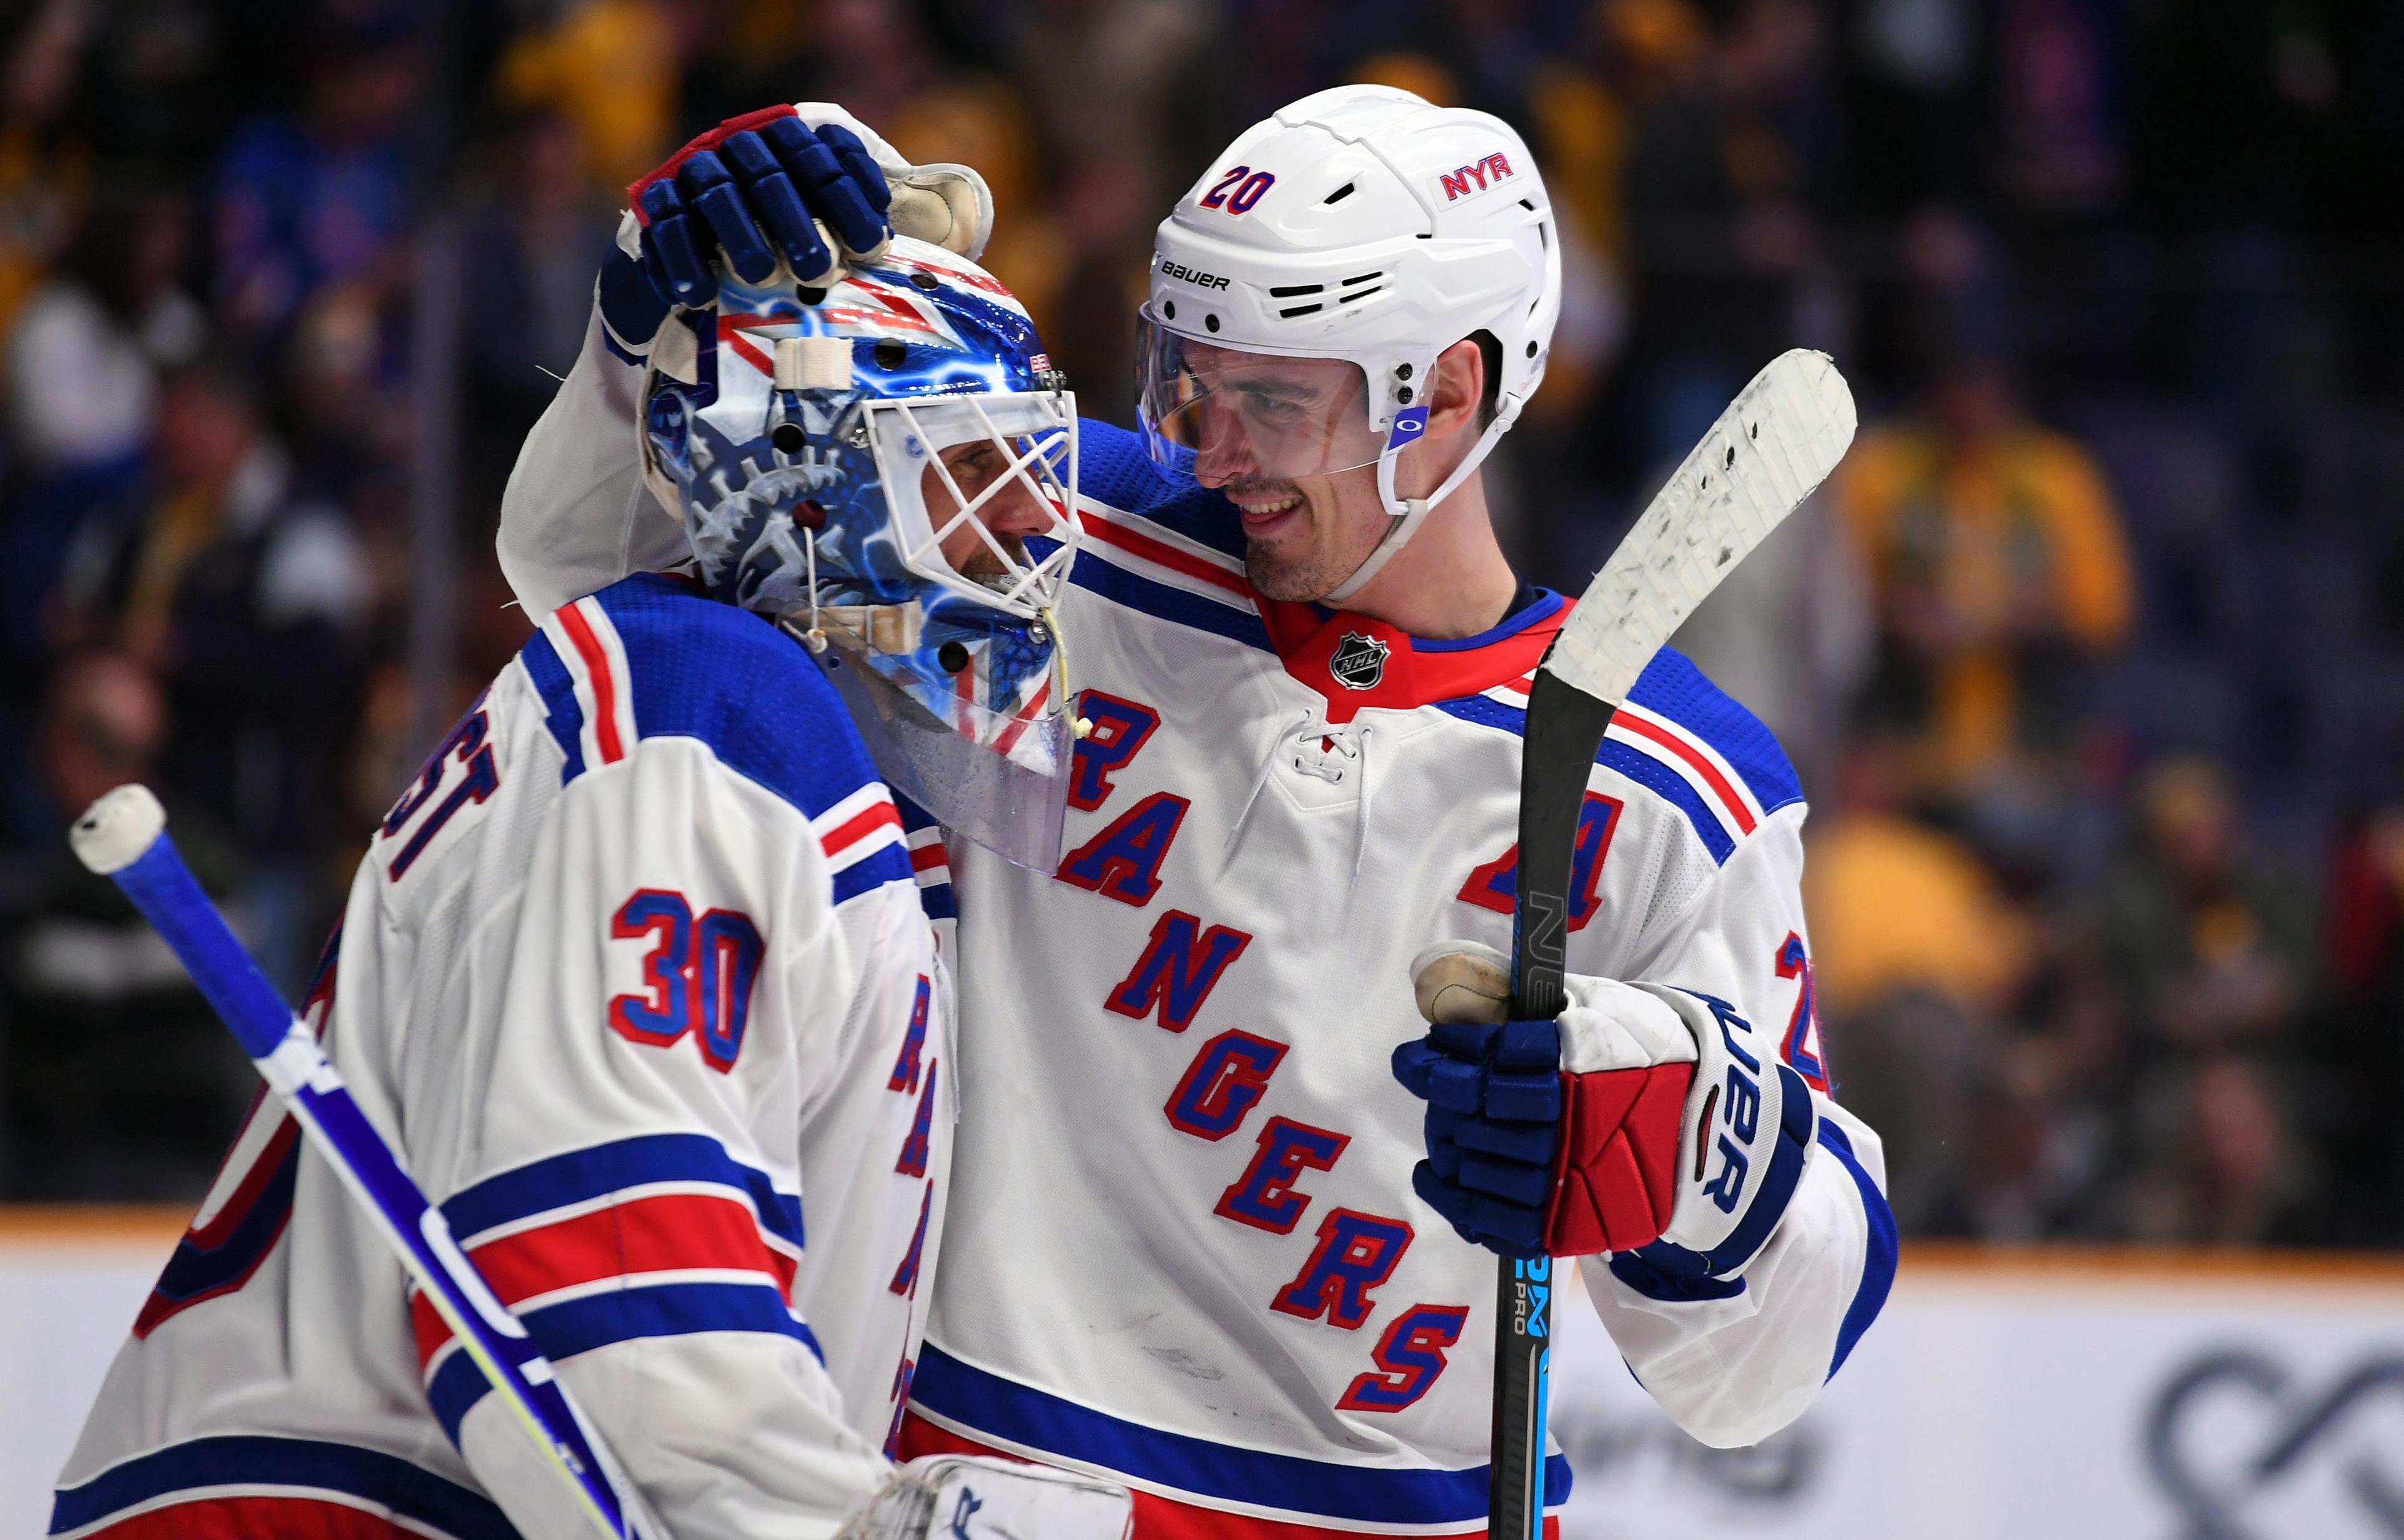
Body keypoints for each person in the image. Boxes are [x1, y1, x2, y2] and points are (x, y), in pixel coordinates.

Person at [500, 92, 1894, 1536]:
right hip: (970, 1488)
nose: (1213, 449)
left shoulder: (1673, 782)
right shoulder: (1050, 532)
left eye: (1279, 402)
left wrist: (1683, 1140)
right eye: (1191, 382)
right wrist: (641, 342)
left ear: (1454, 392)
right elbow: (600, 603)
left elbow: (1760, 1375)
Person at [53, 227, 1130, 1539]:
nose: (1028, 518)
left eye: (1025, 462)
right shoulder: (700, 709)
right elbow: (603, 1293)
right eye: (969, 466)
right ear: (803, 485)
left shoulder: (769, 743)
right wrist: (855, 1526)